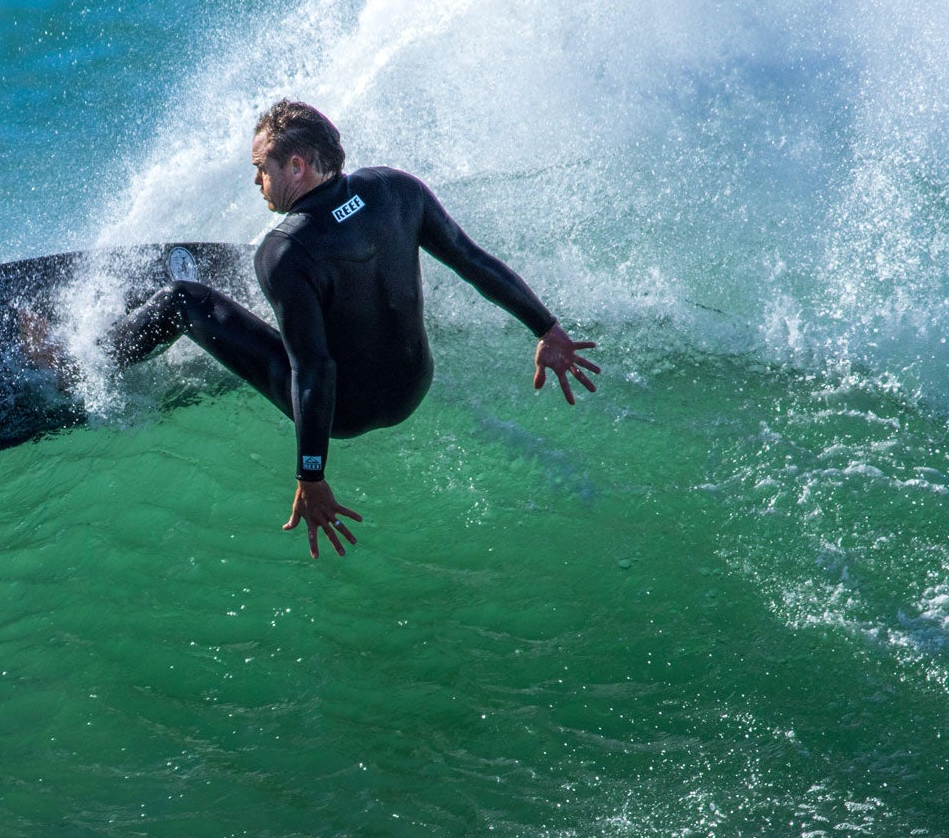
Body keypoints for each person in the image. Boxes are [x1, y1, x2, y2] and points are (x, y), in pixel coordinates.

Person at [111, 100, 599, 558]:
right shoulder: (397, 190)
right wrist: (546, 328)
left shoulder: (282, 253)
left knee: (182, 297)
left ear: (297, 166)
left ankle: (91, 353)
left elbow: (315, 368)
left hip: (342, 413)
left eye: (262, 167)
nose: (257, 179)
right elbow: (471, 262)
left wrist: (311, 476)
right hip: (412, 388)